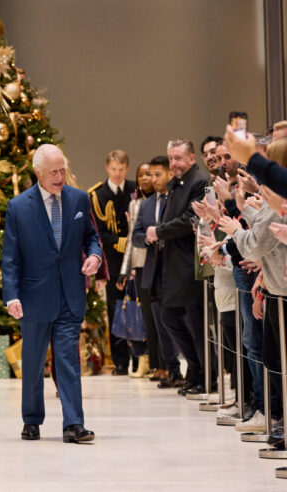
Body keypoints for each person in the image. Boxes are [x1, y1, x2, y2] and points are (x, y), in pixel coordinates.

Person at [2, 144, 102, 443]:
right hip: (34, 298)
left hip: (70, 295)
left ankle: (73, 423)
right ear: (38, 173)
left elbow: (92, 237)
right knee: (32, 363)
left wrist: (95, 256)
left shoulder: (79, 199)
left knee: (68, 360)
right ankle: (31, 420)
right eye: (53, 172)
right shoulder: (19, 207)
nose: (60, 177)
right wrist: (12, 295)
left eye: (62, 170)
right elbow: (10, 257)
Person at [145, 140, 209, 394]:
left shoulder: (199, 182)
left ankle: (205, 375)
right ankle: (194, 369)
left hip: (189, 264)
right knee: (169, 317)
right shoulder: (177, 184)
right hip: (172, 264)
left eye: (179, 158)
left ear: (191, 159)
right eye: (171, 158)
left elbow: (191, 219)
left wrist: (159, 231)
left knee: (195, 323)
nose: (174, 163)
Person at [132, 156, 183, 388]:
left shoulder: (176, 199)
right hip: (152, 270)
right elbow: (137, 236)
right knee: (158, 323)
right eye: (150, 175)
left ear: (169, 175)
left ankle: (191, 369)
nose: (152, 179)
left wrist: (160, 233)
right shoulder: (146, 204)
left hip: (175, 267)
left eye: (156, 175)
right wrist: (151, 237)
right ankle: (170, 369)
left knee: (178, 322)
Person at [88, 150, 136, 375]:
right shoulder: (97, 195)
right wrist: (121, 242)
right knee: (116, 308)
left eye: (121, 169)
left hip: (136, 258)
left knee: (137, 306)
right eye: (113, 169)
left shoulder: (135, 189)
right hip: (113, 260)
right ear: (107, 168)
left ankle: (140, 358)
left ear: (126, 168)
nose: (117, 174)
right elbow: (98, 231)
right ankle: (120, 362)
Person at [118, 162, 155, 378]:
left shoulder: (162, 200)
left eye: (149, 175)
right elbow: (132, 238)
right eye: (140, 175)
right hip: (139, 265)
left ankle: (159, 360)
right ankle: (145, 358)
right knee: (141, 316)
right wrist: (126, 269)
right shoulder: (135, 205)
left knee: (158, 315)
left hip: (159, 262)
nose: (144, 179)